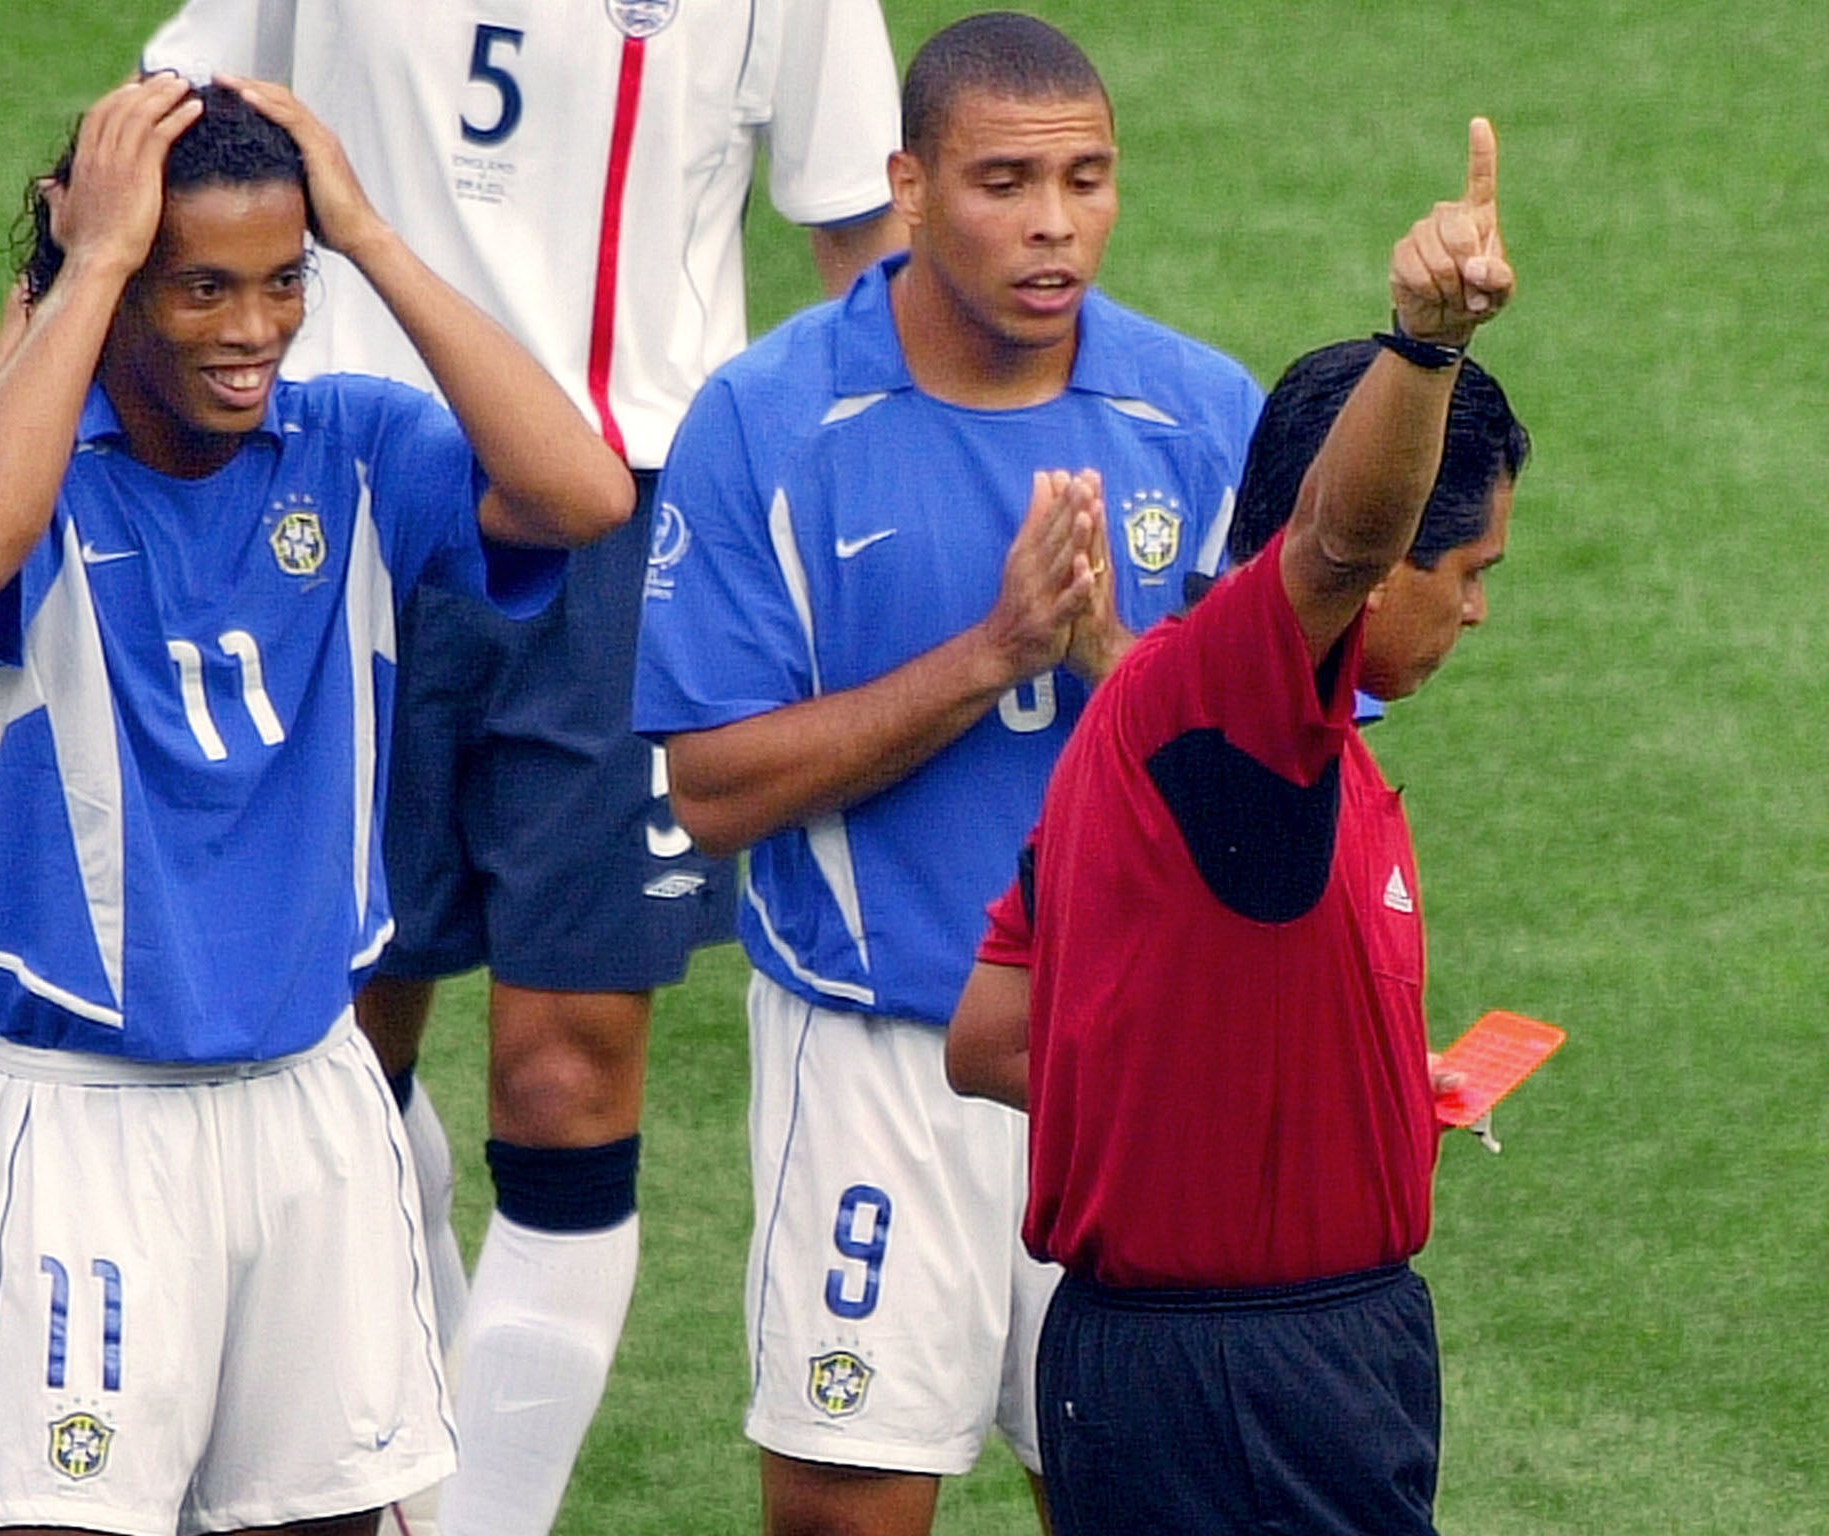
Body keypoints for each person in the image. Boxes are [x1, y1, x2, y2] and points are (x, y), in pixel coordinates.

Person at [137, 7, 905, 1529]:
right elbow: (168, 106)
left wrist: (898, 505)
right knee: (338, 1044)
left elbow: (856, 229)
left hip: (637, 519)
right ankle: (371, 1443)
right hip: (347, 489)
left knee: (565, 1076)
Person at [0, 74, 631, 1536]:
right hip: (83, 1127)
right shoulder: (12, 472)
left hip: (312, 1110)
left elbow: (583, 493)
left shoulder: (353, 449)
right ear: (113, 284)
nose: (252, 331)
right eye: (201, 288)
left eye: (282, 282)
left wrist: (368, 233)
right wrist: (88, 262)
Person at [632, 14, 1265, 1532]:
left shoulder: (1199, 418)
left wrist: (1115, 663)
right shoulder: (770, 422)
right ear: (907, 187)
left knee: (1145, 1507)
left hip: (1128, 1062)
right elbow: (710, 789)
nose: (1055, 224)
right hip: (873, 1061)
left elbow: (1283, 795)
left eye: (1087, 177)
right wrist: (992, 654)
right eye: (1005, 182)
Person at [945, 119, 1525, 1536]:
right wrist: (1425, 346)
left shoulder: (1182, 734)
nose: (1475, 608)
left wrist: (1313, 1094)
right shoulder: (1233, 710)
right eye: (1464, 568)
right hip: (1251, 1386)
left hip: (1230, 1361)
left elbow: (991, 1036)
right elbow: (1334, 543)